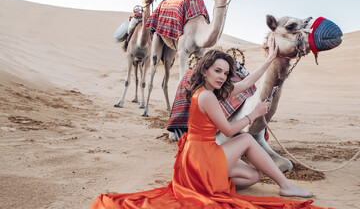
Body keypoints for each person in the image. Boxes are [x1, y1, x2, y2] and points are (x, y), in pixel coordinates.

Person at [91, 38, 324, 209]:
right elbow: (230, 130)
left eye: (226, 72)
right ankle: (285, 185)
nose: (222, 76)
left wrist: (270, 59)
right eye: (217, 71)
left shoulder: (213, 91)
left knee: (253, 176)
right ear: (205, 70)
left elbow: (247, 82)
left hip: (199, 155)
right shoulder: (206, 96)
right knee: (244, 138)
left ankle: (205, 183)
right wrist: (254, 115)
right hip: (201, 155)